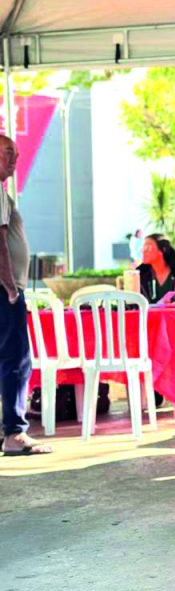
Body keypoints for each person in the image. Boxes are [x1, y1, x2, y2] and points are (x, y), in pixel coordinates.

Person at [0, 136, 51, 457]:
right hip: (5, 291)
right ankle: (14, 434)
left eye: (16, 154)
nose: (14, 159)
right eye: (7, 152)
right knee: (16, 359)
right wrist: (9, 287)